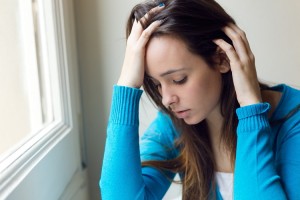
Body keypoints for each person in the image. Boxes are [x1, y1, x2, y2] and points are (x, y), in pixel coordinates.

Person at [100, 0, 300, 199]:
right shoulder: (172, 127)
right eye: (157, 84)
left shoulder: (294, 123)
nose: (166, 99)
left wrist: (251, 109)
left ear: (222, 59)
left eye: (178, 79)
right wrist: (126, 86)